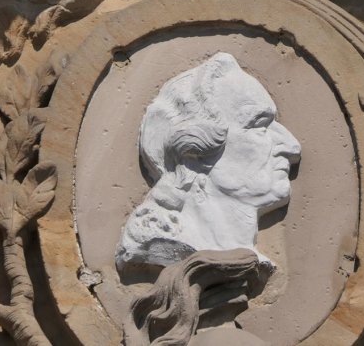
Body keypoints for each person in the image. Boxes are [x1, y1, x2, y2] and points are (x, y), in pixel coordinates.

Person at [116, 52, 301, 269]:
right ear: (193, 154)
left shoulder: (254, 263)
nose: (291, 146)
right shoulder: (162, 246)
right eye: (259, 125)